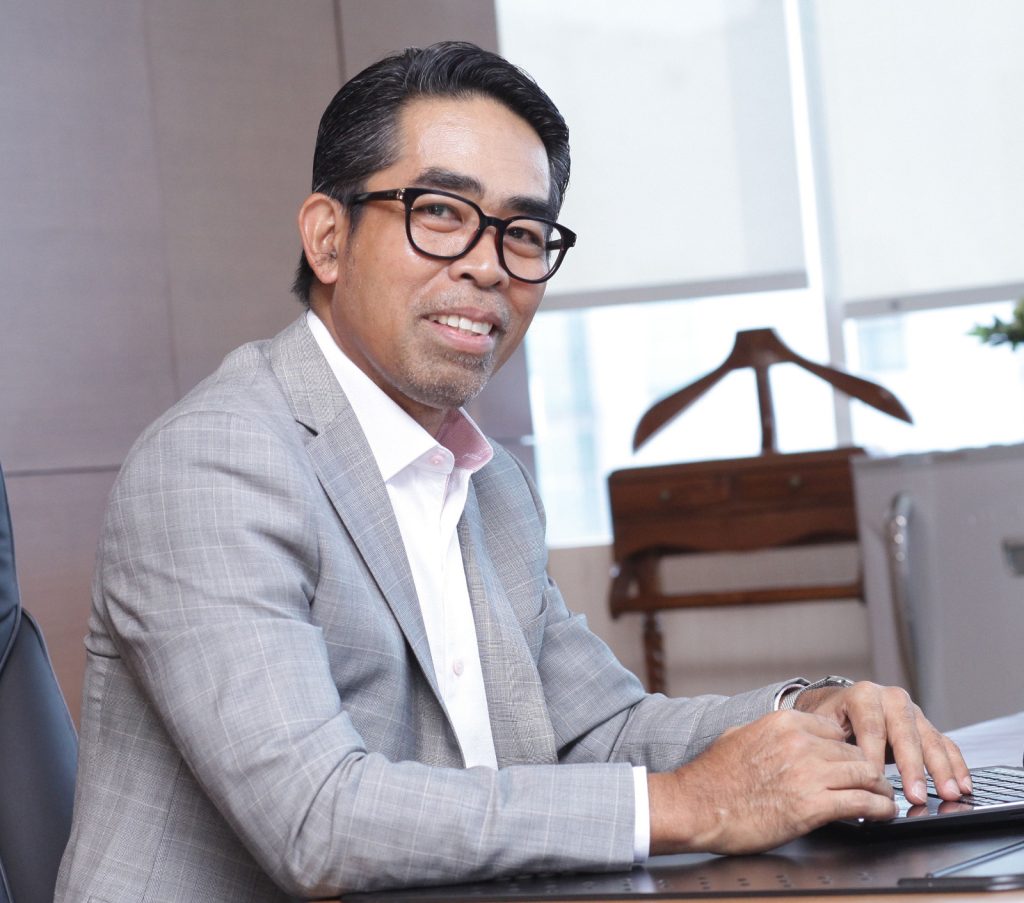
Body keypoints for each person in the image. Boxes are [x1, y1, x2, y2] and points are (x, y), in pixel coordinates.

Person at [56, 41, 970, 902]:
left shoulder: (491, 485)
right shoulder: (217, 462)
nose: (490, 266)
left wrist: (808, 717)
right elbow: (317, 820)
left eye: (524, 232)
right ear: (328, 239)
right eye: (440, 213)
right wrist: (692, 802)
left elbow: (599, 731)